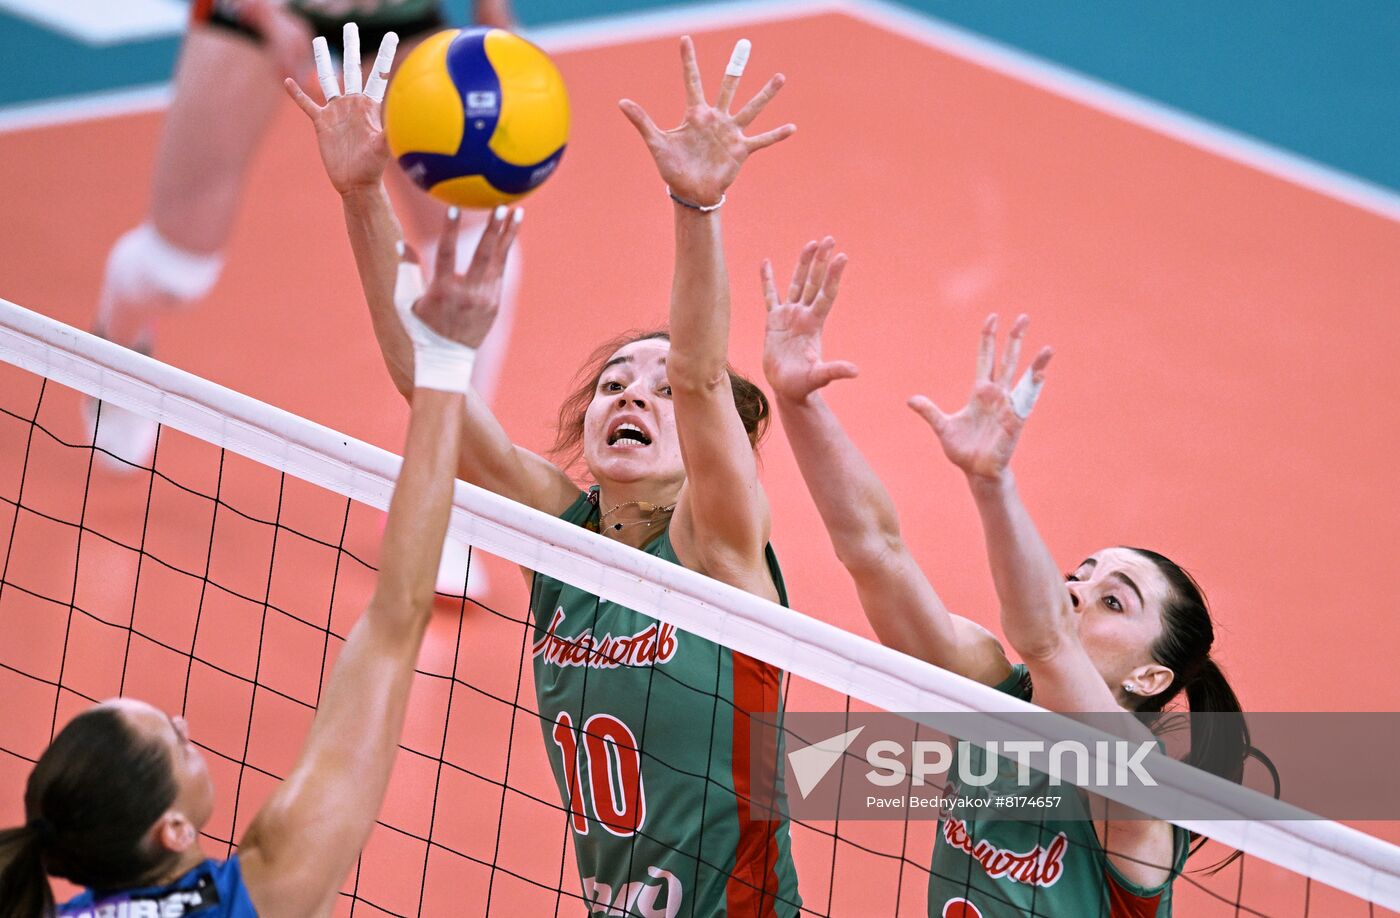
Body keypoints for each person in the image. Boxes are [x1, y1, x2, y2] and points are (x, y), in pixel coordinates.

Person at [288, 30, 803, 916]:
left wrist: (696, 206)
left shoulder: (721, 549)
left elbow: (707, 372)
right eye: (613, 384)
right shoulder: (562, 542)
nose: (632, 396)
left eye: (661, 387)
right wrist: (362, 191)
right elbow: (427, 380)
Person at [0, 40, 519, 917]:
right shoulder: (259, 889)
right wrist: (442, 365)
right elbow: (397, 623)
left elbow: (394, 624)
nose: (191, 725)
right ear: (171, 832)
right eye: (181, 743)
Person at [761, 241, 1253, 916]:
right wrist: (797, 402)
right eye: (1077, 574)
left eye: (1112, 599)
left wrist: (993, 485)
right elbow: (875, 553)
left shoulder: (1137, 792)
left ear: (1149, 678)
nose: (1075, 589)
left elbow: (1049, 640)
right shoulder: (988, 689)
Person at [89, 2, 515, 595]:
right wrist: (265, 13)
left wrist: (495, 22)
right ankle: (119, 334)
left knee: (475, 250)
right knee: (175, 270)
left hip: (400, 14)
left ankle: (437, 503)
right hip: (268, 9)